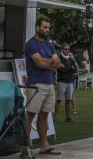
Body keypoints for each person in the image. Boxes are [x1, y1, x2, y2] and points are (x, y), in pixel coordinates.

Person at [24, 18, 62, 155]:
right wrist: (48, 63)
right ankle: (25, 147)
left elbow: (57, 64)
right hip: (36, 84)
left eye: (48, 27)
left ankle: (44, 146)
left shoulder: (49, 45)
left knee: (44, 115)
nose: (47, 30)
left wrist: (47, 62)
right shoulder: (31, 44)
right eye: (44, 27)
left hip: (50, 83)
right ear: (37, 27)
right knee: (30, 115)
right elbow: (40, 63)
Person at [55, 44, 77, 122]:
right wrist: (70, 68)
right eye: (65, 49)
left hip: (70, 82)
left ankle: (68, 117)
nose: (67, 51)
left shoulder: (71, 59)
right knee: (59, 100)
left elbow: (75, 70)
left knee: (68, 100)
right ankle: (56, 117)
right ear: (61, 49)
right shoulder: (59, 59)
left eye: (68, 49)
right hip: (62, 82)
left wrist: (68, 68)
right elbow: (61, 70)